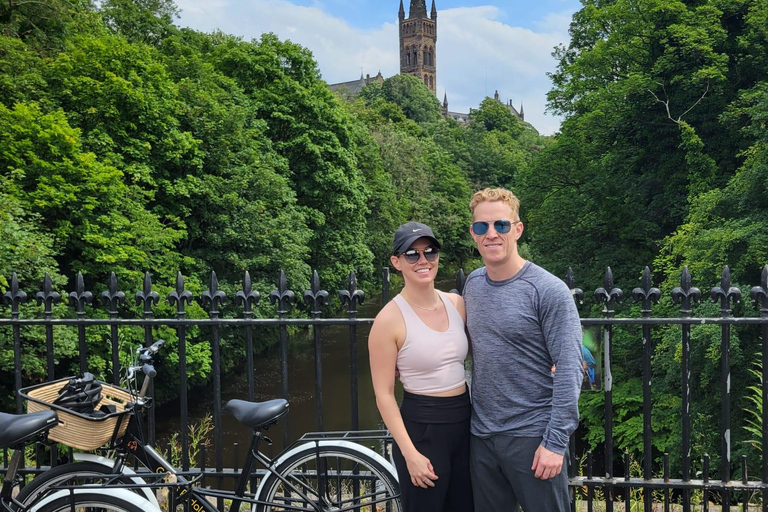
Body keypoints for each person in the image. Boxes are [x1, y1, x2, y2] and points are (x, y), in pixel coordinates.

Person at [462, 188, 583, 512]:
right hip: (482, 436)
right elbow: (467, 343)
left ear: (517, 229)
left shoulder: (548, 290)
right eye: (481, 227)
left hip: (533, 436)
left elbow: (571, 368)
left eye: (500, 225)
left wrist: (555, 442)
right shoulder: (472, 284)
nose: (491, 234)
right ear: (472, 233)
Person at [369, 221, 474, 512]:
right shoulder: (389, 320)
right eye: (412, 254)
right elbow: (384, 394)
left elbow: (491, 348)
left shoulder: (457, 304)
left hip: (465, 423)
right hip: (423, 429)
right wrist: (410, 453)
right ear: (396, 262)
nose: (423, 260)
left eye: (430, 251)